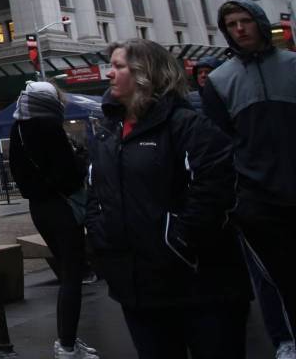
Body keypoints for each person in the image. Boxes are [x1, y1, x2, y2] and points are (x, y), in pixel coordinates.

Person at [86, 38, 250, 358]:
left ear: (146, 74)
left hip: (200, 287)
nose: (109, 74)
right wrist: (100, 234)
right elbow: (96, 192)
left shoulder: (188, 126)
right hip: (136, 288)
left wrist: (176, 240)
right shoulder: (108, 132)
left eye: (119, 66)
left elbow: (213, 191)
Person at [201, 0, 296, 358]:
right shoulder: (221, 81)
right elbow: (220, 143)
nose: (239, 29)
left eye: (245, 21)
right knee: (271, 278)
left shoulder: (292, 66)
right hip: (257, 199)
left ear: (259, 22)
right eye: (231, 25)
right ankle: (284, 340)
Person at [8, 81, 99, 359]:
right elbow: (69, 175)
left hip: (39, 208)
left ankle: (68, 341)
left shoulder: (17, 130)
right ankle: (67, 345)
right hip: (62, 207)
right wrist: (81, 161)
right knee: (72, 275)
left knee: (66, 272)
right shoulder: (49, 127)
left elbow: (18, 173)